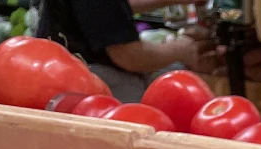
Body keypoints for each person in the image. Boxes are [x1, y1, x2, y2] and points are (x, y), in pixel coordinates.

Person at [38, 0, 199, 101]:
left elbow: (112, 6)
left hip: (58, 71)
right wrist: (182, 50)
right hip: (86, 81)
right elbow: (128, 56)